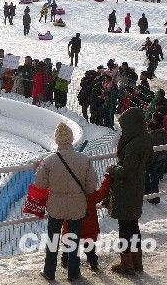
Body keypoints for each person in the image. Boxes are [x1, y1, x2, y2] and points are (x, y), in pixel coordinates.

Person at [35, 122, 97, 281]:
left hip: (56, 206)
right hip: (77, 207)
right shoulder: (84, 159)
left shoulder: (49, 161)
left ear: (57, 140)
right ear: (71, 139)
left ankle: (49, 271)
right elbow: (91, 186)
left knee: (53, 240)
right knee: (73, 241)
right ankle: (73, 273)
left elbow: (40, 184)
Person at [107, 108, 152, 274]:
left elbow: (126, 171)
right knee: (133, 226)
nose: (123, 130)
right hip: (137, 188)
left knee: (125, 227)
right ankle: (137, 262)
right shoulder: (145, 138)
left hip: (126, 191)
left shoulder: (133, 145)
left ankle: (126, 263)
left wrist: (112, 169)